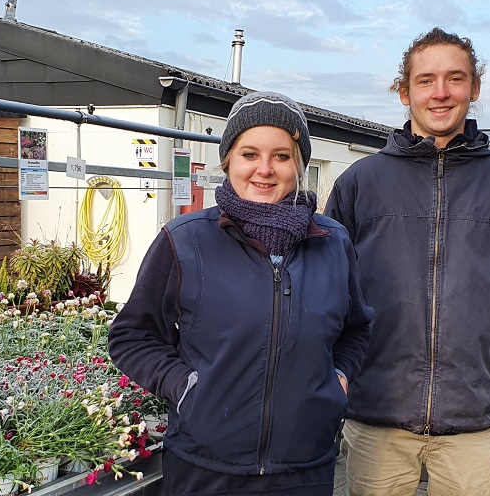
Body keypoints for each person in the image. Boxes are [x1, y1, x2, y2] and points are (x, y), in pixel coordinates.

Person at [324, 27, 490, 495]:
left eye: (455, 78)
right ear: (404, 91)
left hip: (472, 421)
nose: (442, 92)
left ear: (475, 88)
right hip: (377, 416)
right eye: (426, 80)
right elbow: (329, 291)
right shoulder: (360, 182)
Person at [108, 91, 374, 496]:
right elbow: (132, 335)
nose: (265, 170)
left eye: (282, 156)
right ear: (227, 160)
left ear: (299, 164)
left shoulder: (332, 242)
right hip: (205, 469)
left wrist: (336, 380)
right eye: (250, 153)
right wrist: (186, 387)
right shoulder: (185, 240)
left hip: (305, 468)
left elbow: (356, 330)